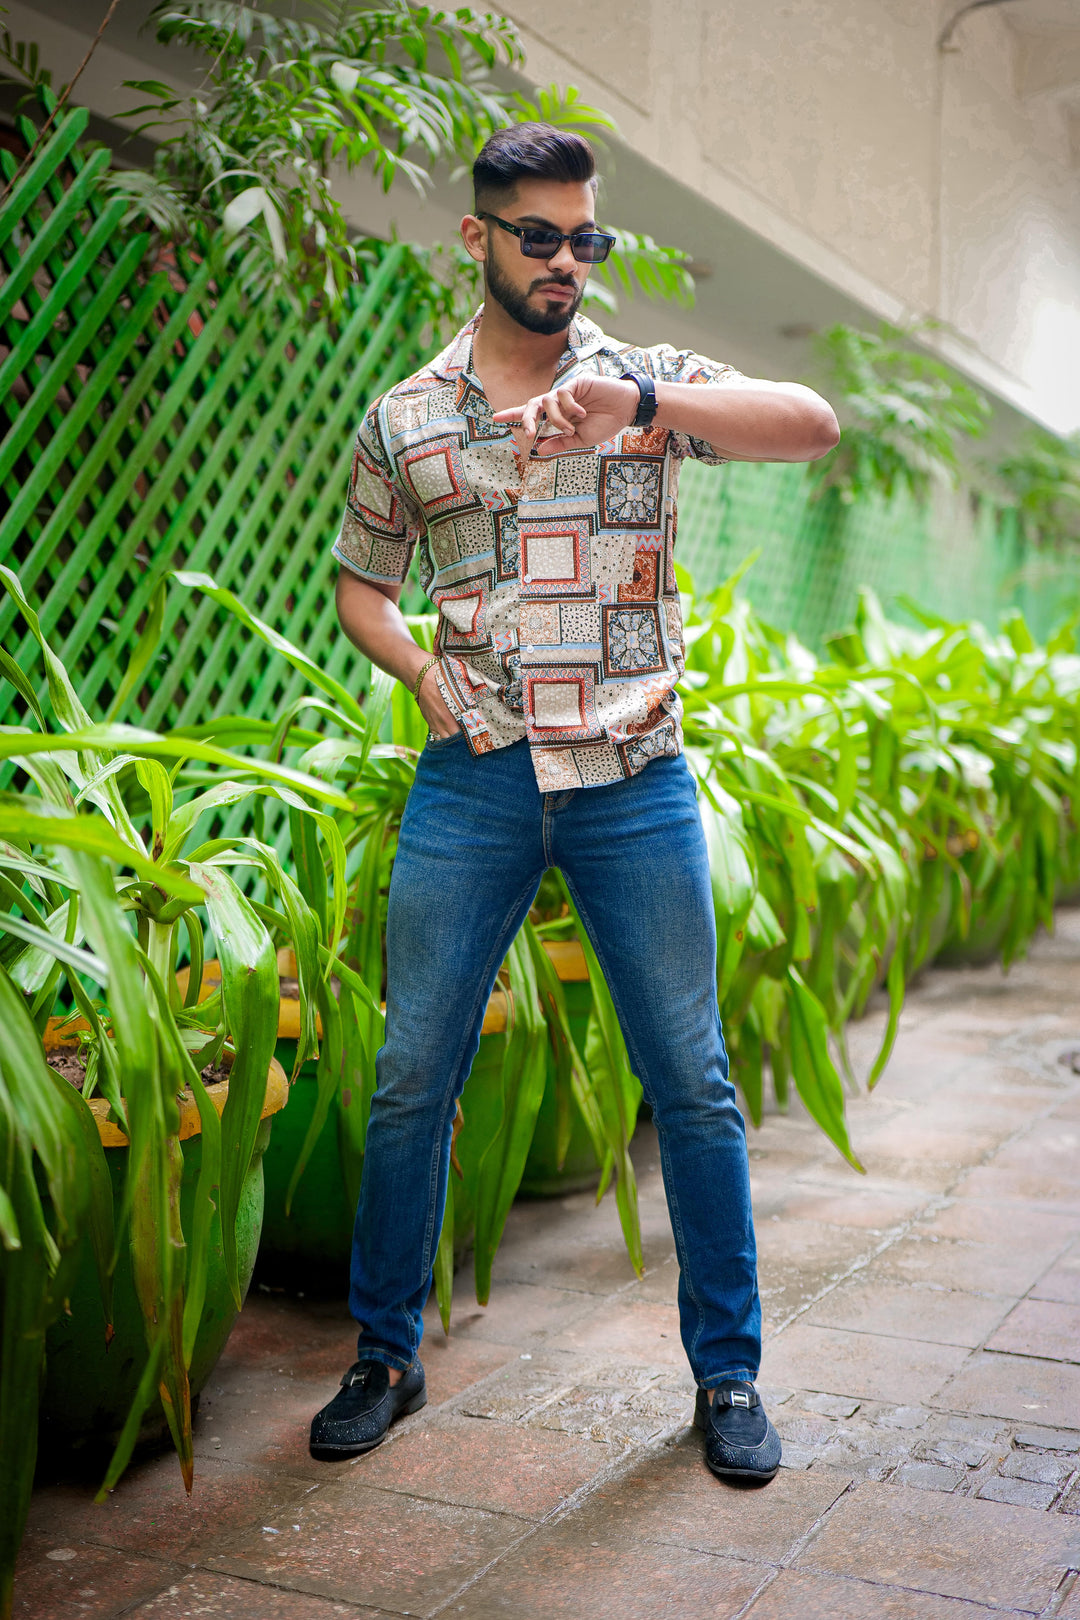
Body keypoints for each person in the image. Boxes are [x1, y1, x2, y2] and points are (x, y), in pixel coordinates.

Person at [309, 123, 839, 1484]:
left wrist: (648, 411)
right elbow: (360, 582)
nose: (564, 260)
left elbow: (813, 426)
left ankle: (728, 1380)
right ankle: (383, 1351)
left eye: (583, 237)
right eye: (536, 234)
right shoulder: (405, 416)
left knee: (695, 1084)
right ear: (478, 238)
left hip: (633, 777)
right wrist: (418, 664)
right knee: (414, 1073)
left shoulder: (642, 380)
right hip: (475, 773)